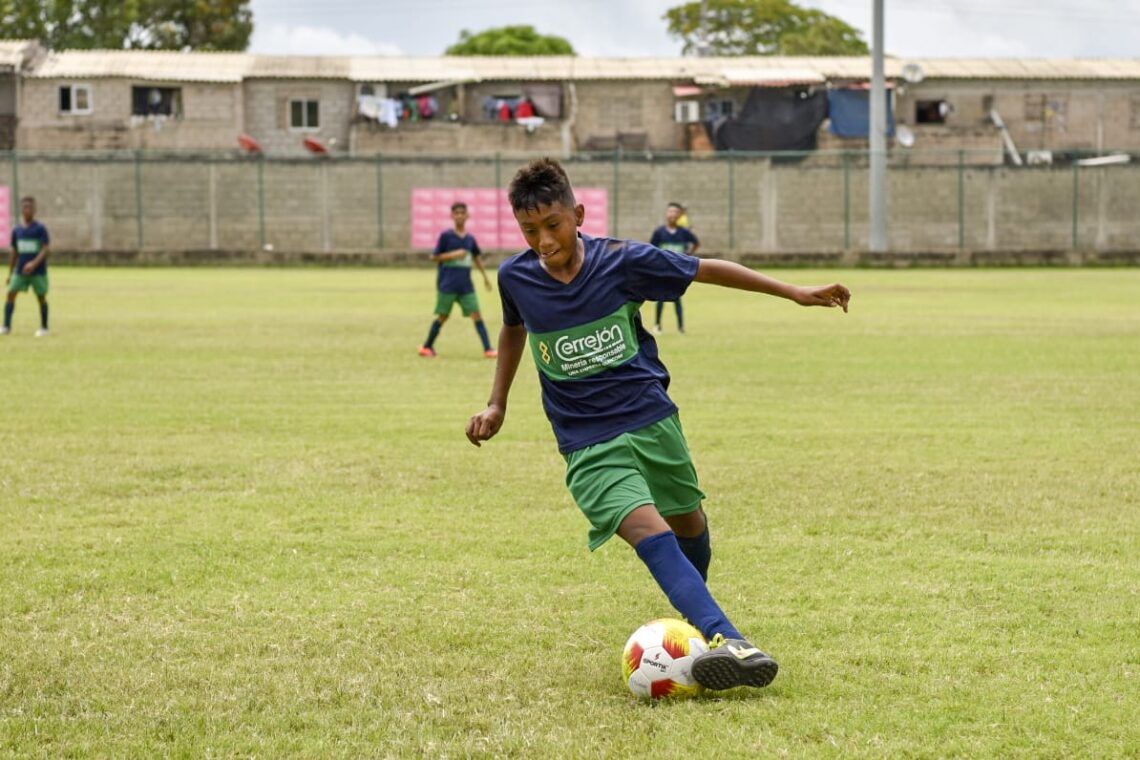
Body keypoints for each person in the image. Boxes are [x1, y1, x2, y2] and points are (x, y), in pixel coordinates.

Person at [465, 158, 850, 692]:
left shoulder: (622, 262)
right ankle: (728, 638)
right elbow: (513, 330)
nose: (543, 240)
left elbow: (706, 269)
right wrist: (497, 403)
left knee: (689, 523)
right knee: (648, 528)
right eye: (529, 231)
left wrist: (795, 293)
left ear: (577, 214)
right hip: (586, 439)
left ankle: (694, 623)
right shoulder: (516, 277)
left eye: (552, 225)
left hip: (650, 417)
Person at [419, 201, 497, 359]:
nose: (460, 216)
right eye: (457, 213)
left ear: (467, 216)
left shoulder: (470, 239)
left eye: (462, 213)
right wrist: (454, 255)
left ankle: (488, 349)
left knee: (477, 314)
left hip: (466, 286)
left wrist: (485, 278)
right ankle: (427, 347)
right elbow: (434, 257)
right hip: (447, 285)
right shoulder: (446, 236)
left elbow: (476, 258)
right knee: (443, 316)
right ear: (452, 216)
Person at [3, 196, 51, 337]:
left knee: (41, 297)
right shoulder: (17, 230)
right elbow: (15, 252)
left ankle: (44, 327)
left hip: (38, 271)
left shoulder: (40, 229)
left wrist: (34, 263)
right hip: (20, 270)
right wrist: (10, 273)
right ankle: (6, 326)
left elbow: (46, 250)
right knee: (11, 294)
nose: (27, 210)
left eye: (29, 207)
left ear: (34, 210)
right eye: (24, 207)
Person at [649, 202, 699, 334]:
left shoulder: (684, 232)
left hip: (677, 270)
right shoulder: (659, 232)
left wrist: (688, 256)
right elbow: (651, 249)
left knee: (677, 298)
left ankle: (681, 327)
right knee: (660, 299)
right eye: (670, 211)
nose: (672, 214)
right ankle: (658, 325)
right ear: (666, 214)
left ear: (679, 215)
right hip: (662, 270)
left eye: (675, 212)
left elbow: (696, 243)